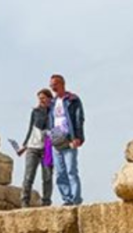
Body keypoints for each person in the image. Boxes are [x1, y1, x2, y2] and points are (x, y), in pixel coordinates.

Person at [48, 74, 84, 206]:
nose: (52, 87)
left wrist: (78, 137)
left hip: (70, 137)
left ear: (62, 84)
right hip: (56, 139)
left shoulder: (72, 99)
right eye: (51, 85)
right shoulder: (52, 102)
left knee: (71, 170)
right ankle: (67, 199)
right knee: (60, 172)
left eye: (54, 84)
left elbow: (79, 118)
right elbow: (49, 120)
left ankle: (75, 199)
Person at [16, 88, 54, 207]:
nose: (40, 100)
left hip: (48, 146)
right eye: (39, 98)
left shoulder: (54, 111)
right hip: (33, 147)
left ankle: (46, 201)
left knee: (47, 176)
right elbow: (30, 129)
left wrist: (49, 109)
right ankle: (24, 201)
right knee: (28, 175)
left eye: (43, 98)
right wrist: (24, 145)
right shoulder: (36, 111)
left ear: (49, 98)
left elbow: (50, 127)